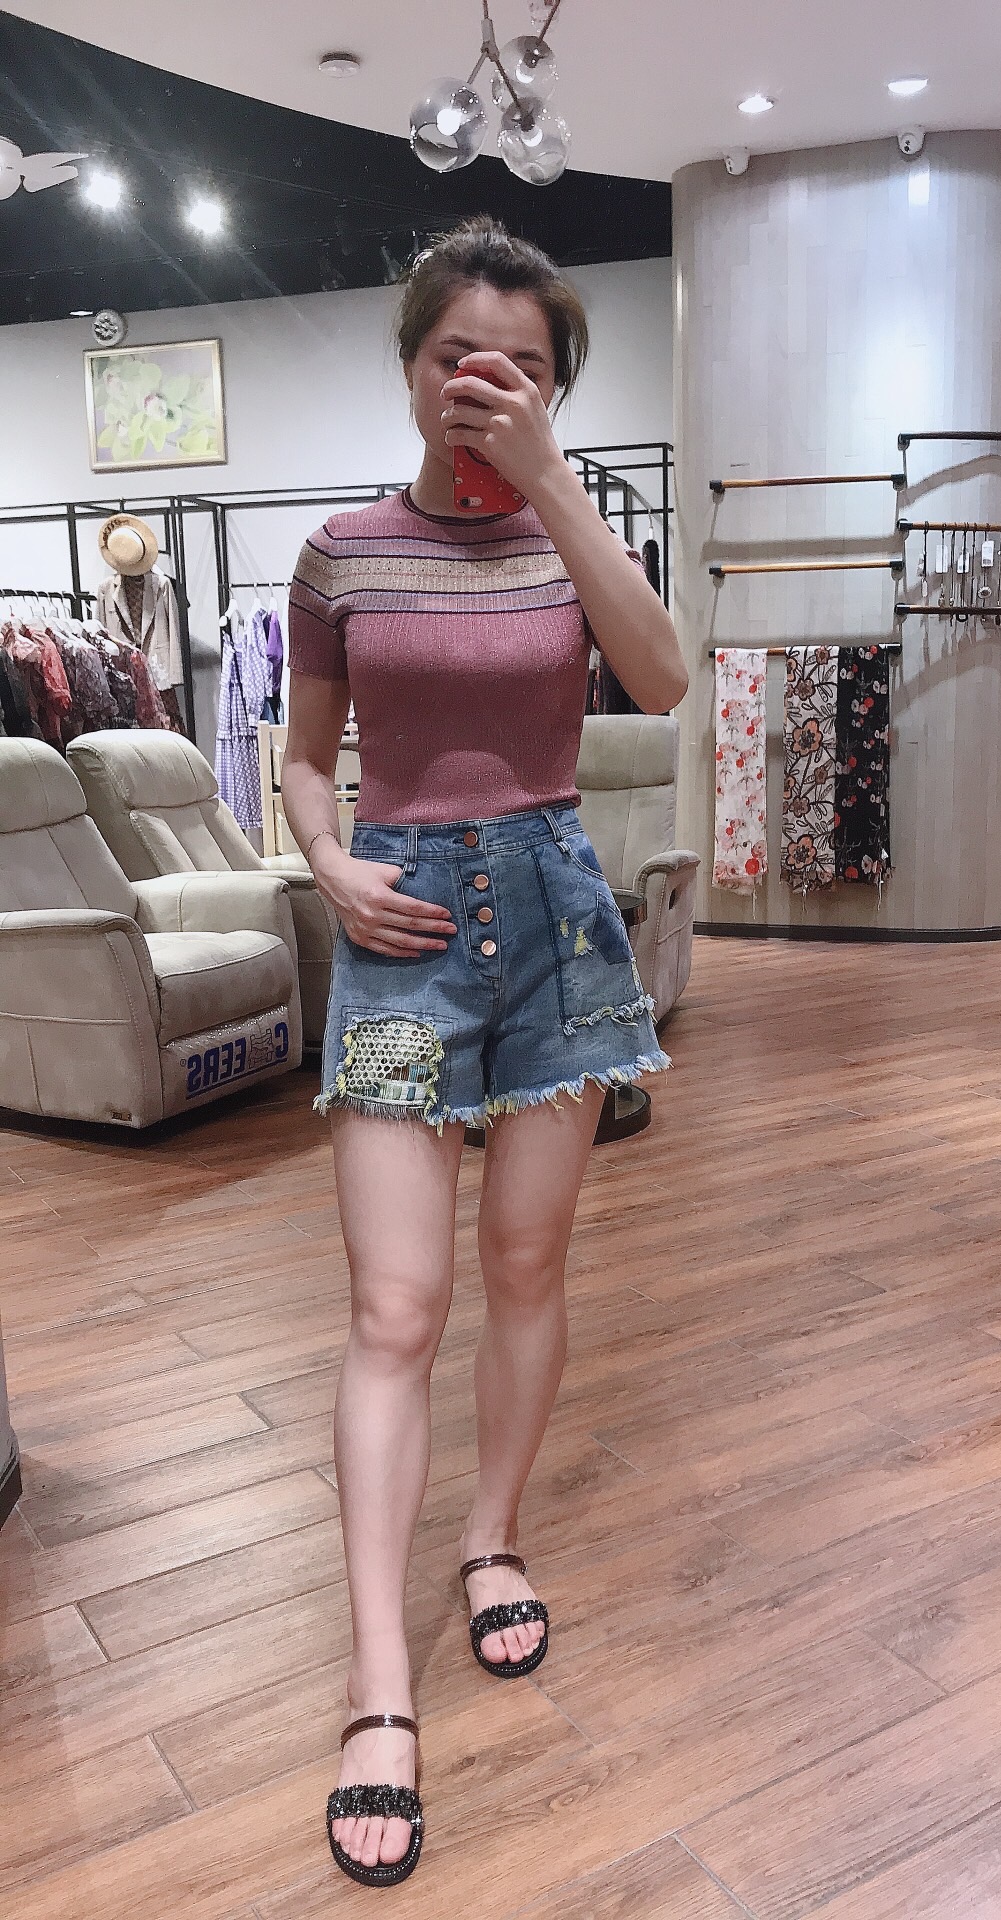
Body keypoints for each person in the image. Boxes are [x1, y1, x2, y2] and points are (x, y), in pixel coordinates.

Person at [281, 215, 688, 1890]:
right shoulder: (338, 557)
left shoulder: (571, 534)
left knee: (528, 1265)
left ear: (555, 386)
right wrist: (327, 860)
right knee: (396, 1305)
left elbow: (663, 677)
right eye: (458, 354)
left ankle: (493, 1538)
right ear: (409, 364)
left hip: (560, 926)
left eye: (521, 365)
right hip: (401, 940)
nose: (484, 382)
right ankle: (381, 1685)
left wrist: (553, 485)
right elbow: (304, 755)